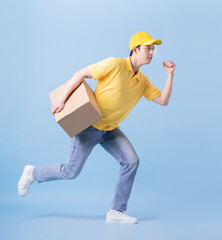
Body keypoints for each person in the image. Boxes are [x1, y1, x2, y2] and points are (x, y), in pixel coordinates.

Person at [17, 31, 176, 224]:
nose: (151, 52)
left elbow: (163, 100)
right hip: (89, 126)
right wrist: (61, 100)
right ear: (135, 49)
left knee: (131, 161)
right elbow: (81, 74)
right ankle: (32, 173)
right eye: (148, 48)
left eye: (153, 49)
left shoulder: (142, 81)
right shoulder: (115, 64)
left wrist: (170, 75)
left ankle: (116, 211)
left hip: (110, 130)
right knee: (70, 172)